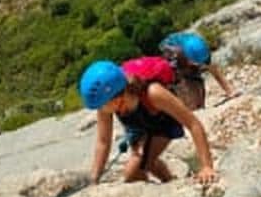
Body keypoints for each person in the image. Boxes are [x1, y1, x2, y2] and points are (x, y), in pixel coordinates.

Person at [80, 58, 217, 186]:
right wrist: (94, 178)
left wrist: (206, 166)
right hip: (138, 123)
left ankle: (169, 185)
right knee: (141, 166)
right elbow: (103, 142)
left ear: (116, 99)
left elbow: (193, 124)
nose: (99, 109)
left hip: (164, 121)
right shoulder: (107, 105)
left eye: (101, 105)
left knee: (134, 171)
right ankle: (169, 181)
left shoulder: (154, 93)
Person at [159, 31, 236, 110]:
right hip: (177, 56)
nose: (200, 65)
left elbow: (213, 69)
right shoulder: (174, 53)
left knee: (198, 75)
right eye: (196, 63)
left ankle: (198, 105)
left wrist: (229, 92)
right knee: (185, 80)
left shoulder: (201, 48)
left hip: (187, 51)